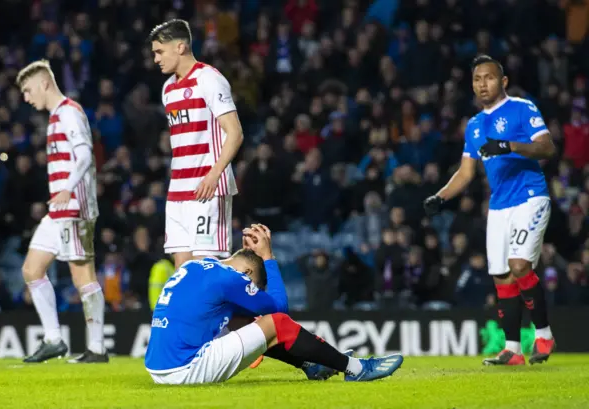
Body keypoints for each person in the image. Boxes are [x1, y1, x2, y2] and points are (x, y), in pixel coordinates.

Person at [144, 225, 404, 384]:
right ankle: (357, 369)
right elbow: (279, 310)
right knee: (275, 323)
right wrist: (268, 257)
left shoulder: (195, 265)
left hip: (158, 365)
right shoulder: (231, 278)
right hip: (184, 367)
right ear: (246, 275)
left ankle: (311, 365)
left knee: (248, 321)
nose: (253, 291)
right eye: (254, 286)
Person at [423, 55, 556, 366]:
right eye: (477, 79)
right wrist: (440, 197)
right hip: (498, 206)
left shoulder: (522, 108)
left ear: (503, 81)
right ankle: (512, 349)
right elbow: (466, 172)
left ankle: (545, 335)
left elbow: (547, 147)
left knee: (520, 264)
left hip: (530, 197)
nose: (482, 84)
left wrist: (509, 145)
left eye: (489, 77)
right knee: (501, 277)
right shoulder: (474, 125)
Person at [16, 60, 107, 363]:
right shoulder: (56, 117)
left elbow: (84, 154)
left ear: (44, 83)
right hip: (59, 209)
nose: (26, 98)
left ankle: (97, 348)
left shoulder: (69, 112)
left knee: (83, 277)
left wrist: (67, 188)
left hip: (74, 208)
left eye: (28, 90)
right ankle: (54, 340)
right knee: (31, 269)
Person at [148, 19, 243, 269]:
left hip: (207, 188)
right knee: (183, 275)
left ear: (180, 47)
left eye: (160, 51)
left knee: (205, 273)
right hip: (177, 190)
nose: (156, 59)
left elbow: (235, 133)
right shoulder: (168, 89)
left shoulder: (209, 78)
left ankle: (249, 298)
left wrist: (213, 175)